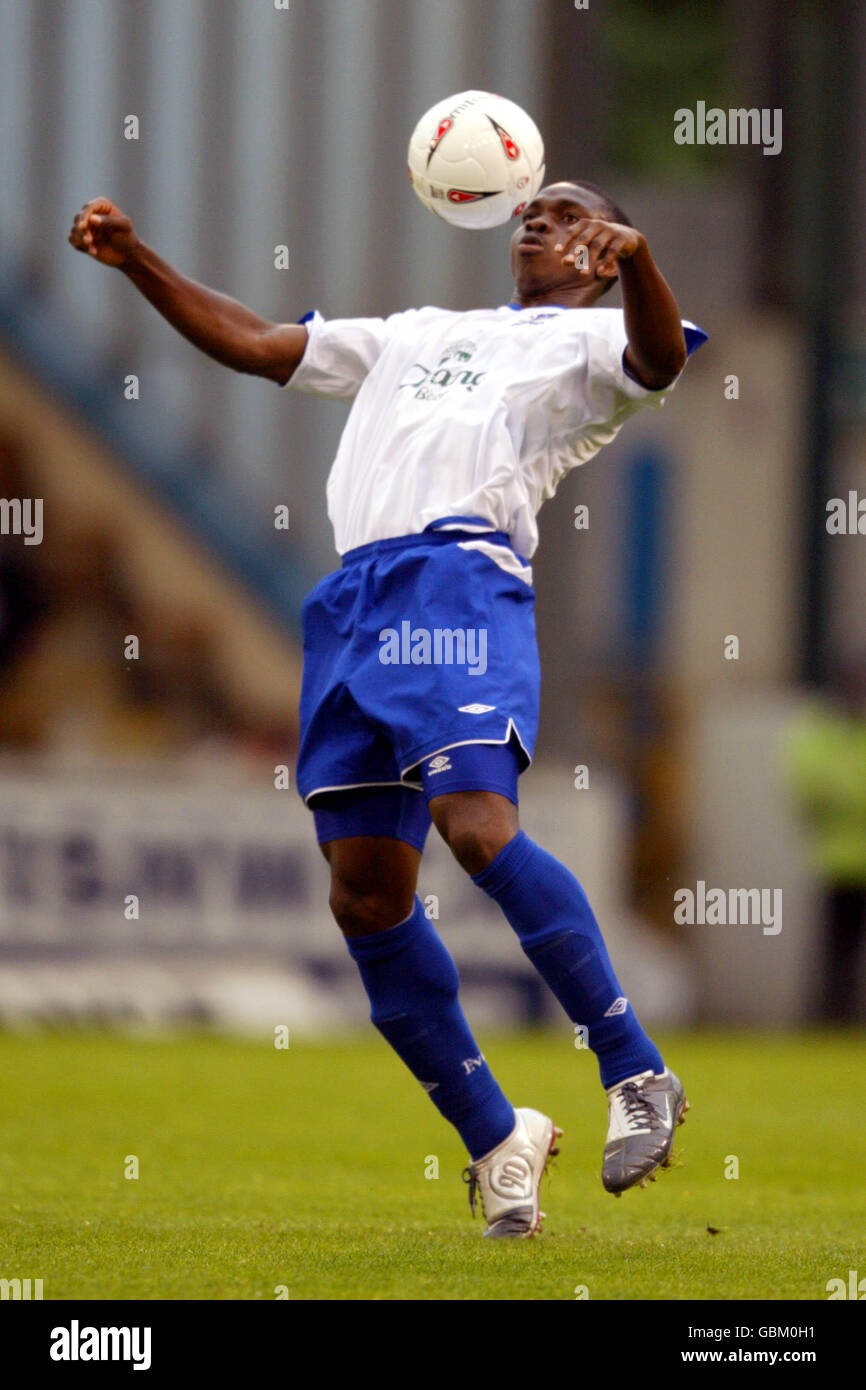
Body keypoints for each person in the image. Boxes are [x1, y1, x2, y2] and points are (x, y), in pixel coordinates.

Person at [69, 180, 705, 1237]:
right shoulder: (418, 333)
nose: (535, 220)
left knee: (475, 825)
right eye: (528, 211)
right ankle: (497, 1134)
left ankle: (636, 1070)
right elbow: (260, 343)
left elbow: (660, 361)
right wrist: (138, 259)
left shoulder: (592, 340)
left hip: (457, 580)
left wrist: (637, 260)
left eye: (564, 212)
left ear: (598, 252)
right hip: (351, 601)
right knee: (363, 896)